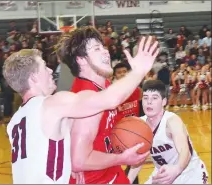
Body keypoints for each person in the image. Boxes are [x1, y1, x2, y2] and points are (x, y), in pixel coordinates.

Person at [2, 34, 157, 184]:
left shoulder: (15, 122)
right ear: (34, 77)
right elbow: (110, 99)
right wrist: (139, 70)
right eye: (44, 67)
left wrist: (67, 162)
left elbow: (42, 153)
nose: (50, 71)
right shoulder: (52, 104)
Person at [57, 26, 159, 184]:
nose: (105, 51)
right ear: (81, 59)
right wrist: (122, 158)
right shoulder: (86, 97)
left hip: (113, 174)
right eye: (96, 48)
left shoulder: (103, 84)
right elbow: (78, 160)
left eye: (103, 46)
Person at [128, 80, 208, 184]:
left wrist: (177, 169)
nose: (149, 102)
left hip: (190, 173)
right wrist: (127, 181)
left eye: (154, 98)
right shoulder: (140, 124)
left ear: (164, 101)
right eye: (146, 97)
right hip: (163, 173)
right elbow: (140, 159)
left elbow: (185, 151)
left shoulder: (171, 121)